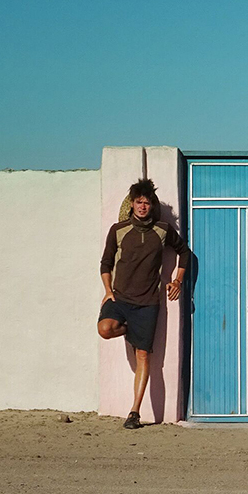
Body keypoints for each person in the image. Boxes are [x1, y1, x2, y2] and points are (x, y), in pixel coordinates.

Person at [98, 178, 190, 429]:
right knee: (105, 329)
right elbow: (105, 263)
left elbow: (185, 252)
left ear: (152, 206)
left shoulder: (162, 230)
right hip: (119, 298)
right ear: (132, 205)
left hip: (149, 303)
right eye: (139, 202)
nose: (142, 206)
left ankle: (134, 413)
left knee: (143, 356)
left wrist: (177, 281)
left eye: (147, 202)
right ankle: (129, 329)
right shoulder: (118, 230)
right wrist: (107, 290)